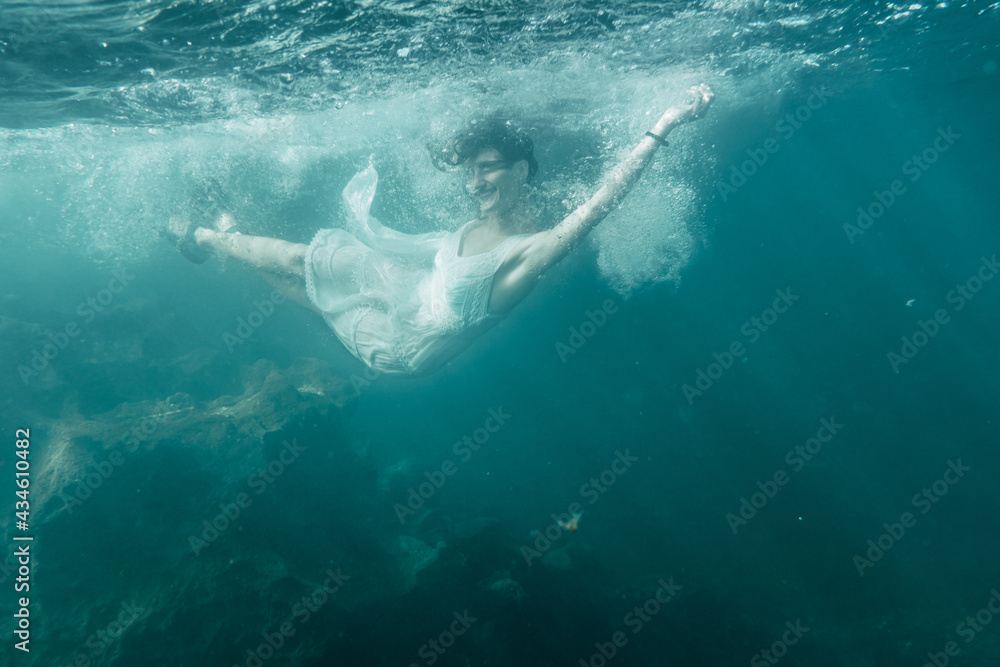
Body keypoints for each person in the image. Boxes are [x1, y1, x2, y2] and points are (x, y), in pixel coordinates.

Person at [168, 84, 714, 375]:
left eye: (489, 168)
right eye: (470, 171)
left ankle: (217, 234)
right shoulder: (478, 220)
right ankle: (211, 236)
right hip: (405, 284)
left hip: (407, 344)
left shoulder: (530, 253)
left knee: (307, 293)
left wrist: (663, 126)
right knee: (304, 262)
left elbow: (599, 205)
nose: (476, 182)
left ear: (522, 170)